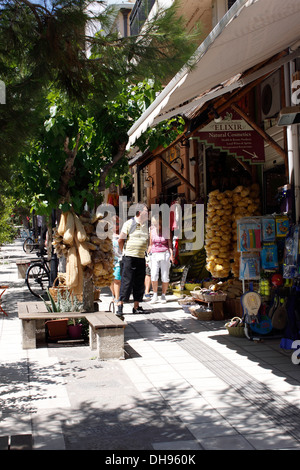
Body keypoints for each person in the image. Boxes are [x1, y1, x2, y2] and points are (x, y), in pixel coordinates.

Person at [116, 203, 149, 319]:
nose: (148, 213)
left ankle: (136, 307)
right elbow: (120, 240)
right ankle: (120, 306)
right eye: (146, 211)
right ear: (139, 212)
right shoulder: (129, 224)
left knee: (139, 282)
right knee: (127, 282)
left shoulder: (145, 225)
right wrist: (123, 253)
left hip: (141, 257)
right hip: (129, 257)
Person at [149, 213, 174, 304]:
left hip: (165, 254)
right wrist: (147, 255)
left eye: (157, 224)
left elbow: (170, 245)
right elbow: (151, 244)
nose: (155, 226)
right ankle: (155, 295)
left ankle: (163, 295)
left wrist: (172, 255)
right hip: (154, 254)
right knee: (154, 274)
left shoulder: (166, 231)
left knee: (165, 276)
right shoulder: (152, 231)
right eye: (154, 224)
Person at [110, 215, 122, 305]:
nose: (116, 225)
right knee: (110, 280)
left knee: (117, 279)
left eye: (118, 223)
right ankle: (113, 295)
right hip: (110, 260)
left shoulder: (122, 234)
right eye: (115, 223)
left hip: (119, 259)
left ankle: (117, 298)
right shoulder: (107, 235)